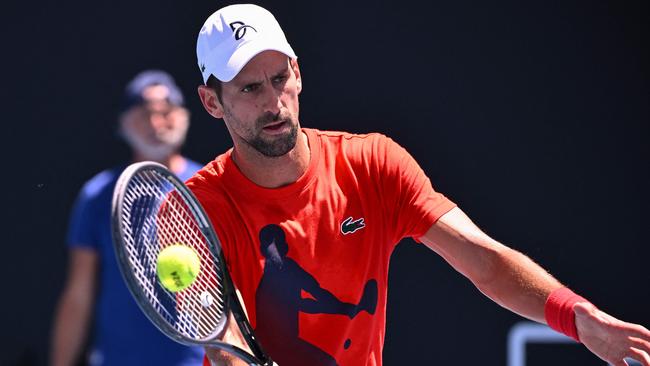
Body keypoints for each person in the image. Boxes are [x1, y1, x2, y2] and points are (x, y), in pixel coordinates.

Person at [188, 4, 650, 366]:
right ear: (212, 102)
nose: (274, 102)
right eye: (249, 89)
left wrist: (577, 317)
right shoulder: (195, 211)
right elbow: (225, 341)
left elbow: (483, 259)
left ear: (298, 72)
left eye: (279, 78)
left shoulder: (373, 164)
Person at [50, 70, 205, 366]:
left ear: (184, 116)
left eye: (166, 111)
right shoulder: (97, 196)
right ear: (123, 124)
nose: (157, 122)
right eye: (145, 113)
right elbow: (79, 293)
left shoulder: (209, 187)